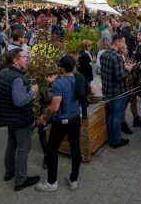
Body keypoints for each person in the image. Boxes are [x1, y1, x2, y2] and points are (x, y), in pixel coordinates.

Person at [35, 55, 94, 192]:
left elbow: (54, 108)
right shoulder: (79, 78)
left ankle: (51, 183)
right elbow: (91, 92)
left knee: (51, 150)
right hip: (75, 118)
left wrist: (44, 117)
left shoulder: (58, 84)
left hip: (61, 121)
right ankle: (73, 180)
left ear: (62, 68)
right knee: (75, 148)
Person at [0, 48, 42, 191]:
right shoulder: (18, 78)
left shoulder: (4, 72)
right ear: (16, 61)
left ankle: (9, 172)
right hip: (19, 118)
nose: (27, 59)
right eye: (24, 57)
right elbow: (18, 101)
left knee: (11, 144)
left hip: (9, 117)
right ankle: (20, 180)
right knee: (23, 148)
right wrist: (32, 92)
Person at [99, 34, 134, 149]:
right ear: (117, 42)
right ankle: (116, 141)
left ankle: (111, 139)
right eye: (123, 42)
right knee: (117, 116)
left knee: (111, 115)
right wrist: (127, 69)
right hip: (118, 91)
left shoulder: (103, 54)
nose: (125, 44)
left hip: (107, 90)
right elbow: (120, 76)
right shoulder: (118, 57)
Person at [34, 66, 58, 170]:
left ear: (55, 76)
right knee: (42, 131)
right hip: (45, 112)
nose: (48, 78)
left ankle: (52, 152)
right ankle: (46, 154)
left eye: (50, 76)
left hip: (57, 111)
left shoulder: (59, 85)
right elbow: (37, 101)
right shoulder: (42, 86)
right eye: (47, 76)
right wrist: (36, 116)